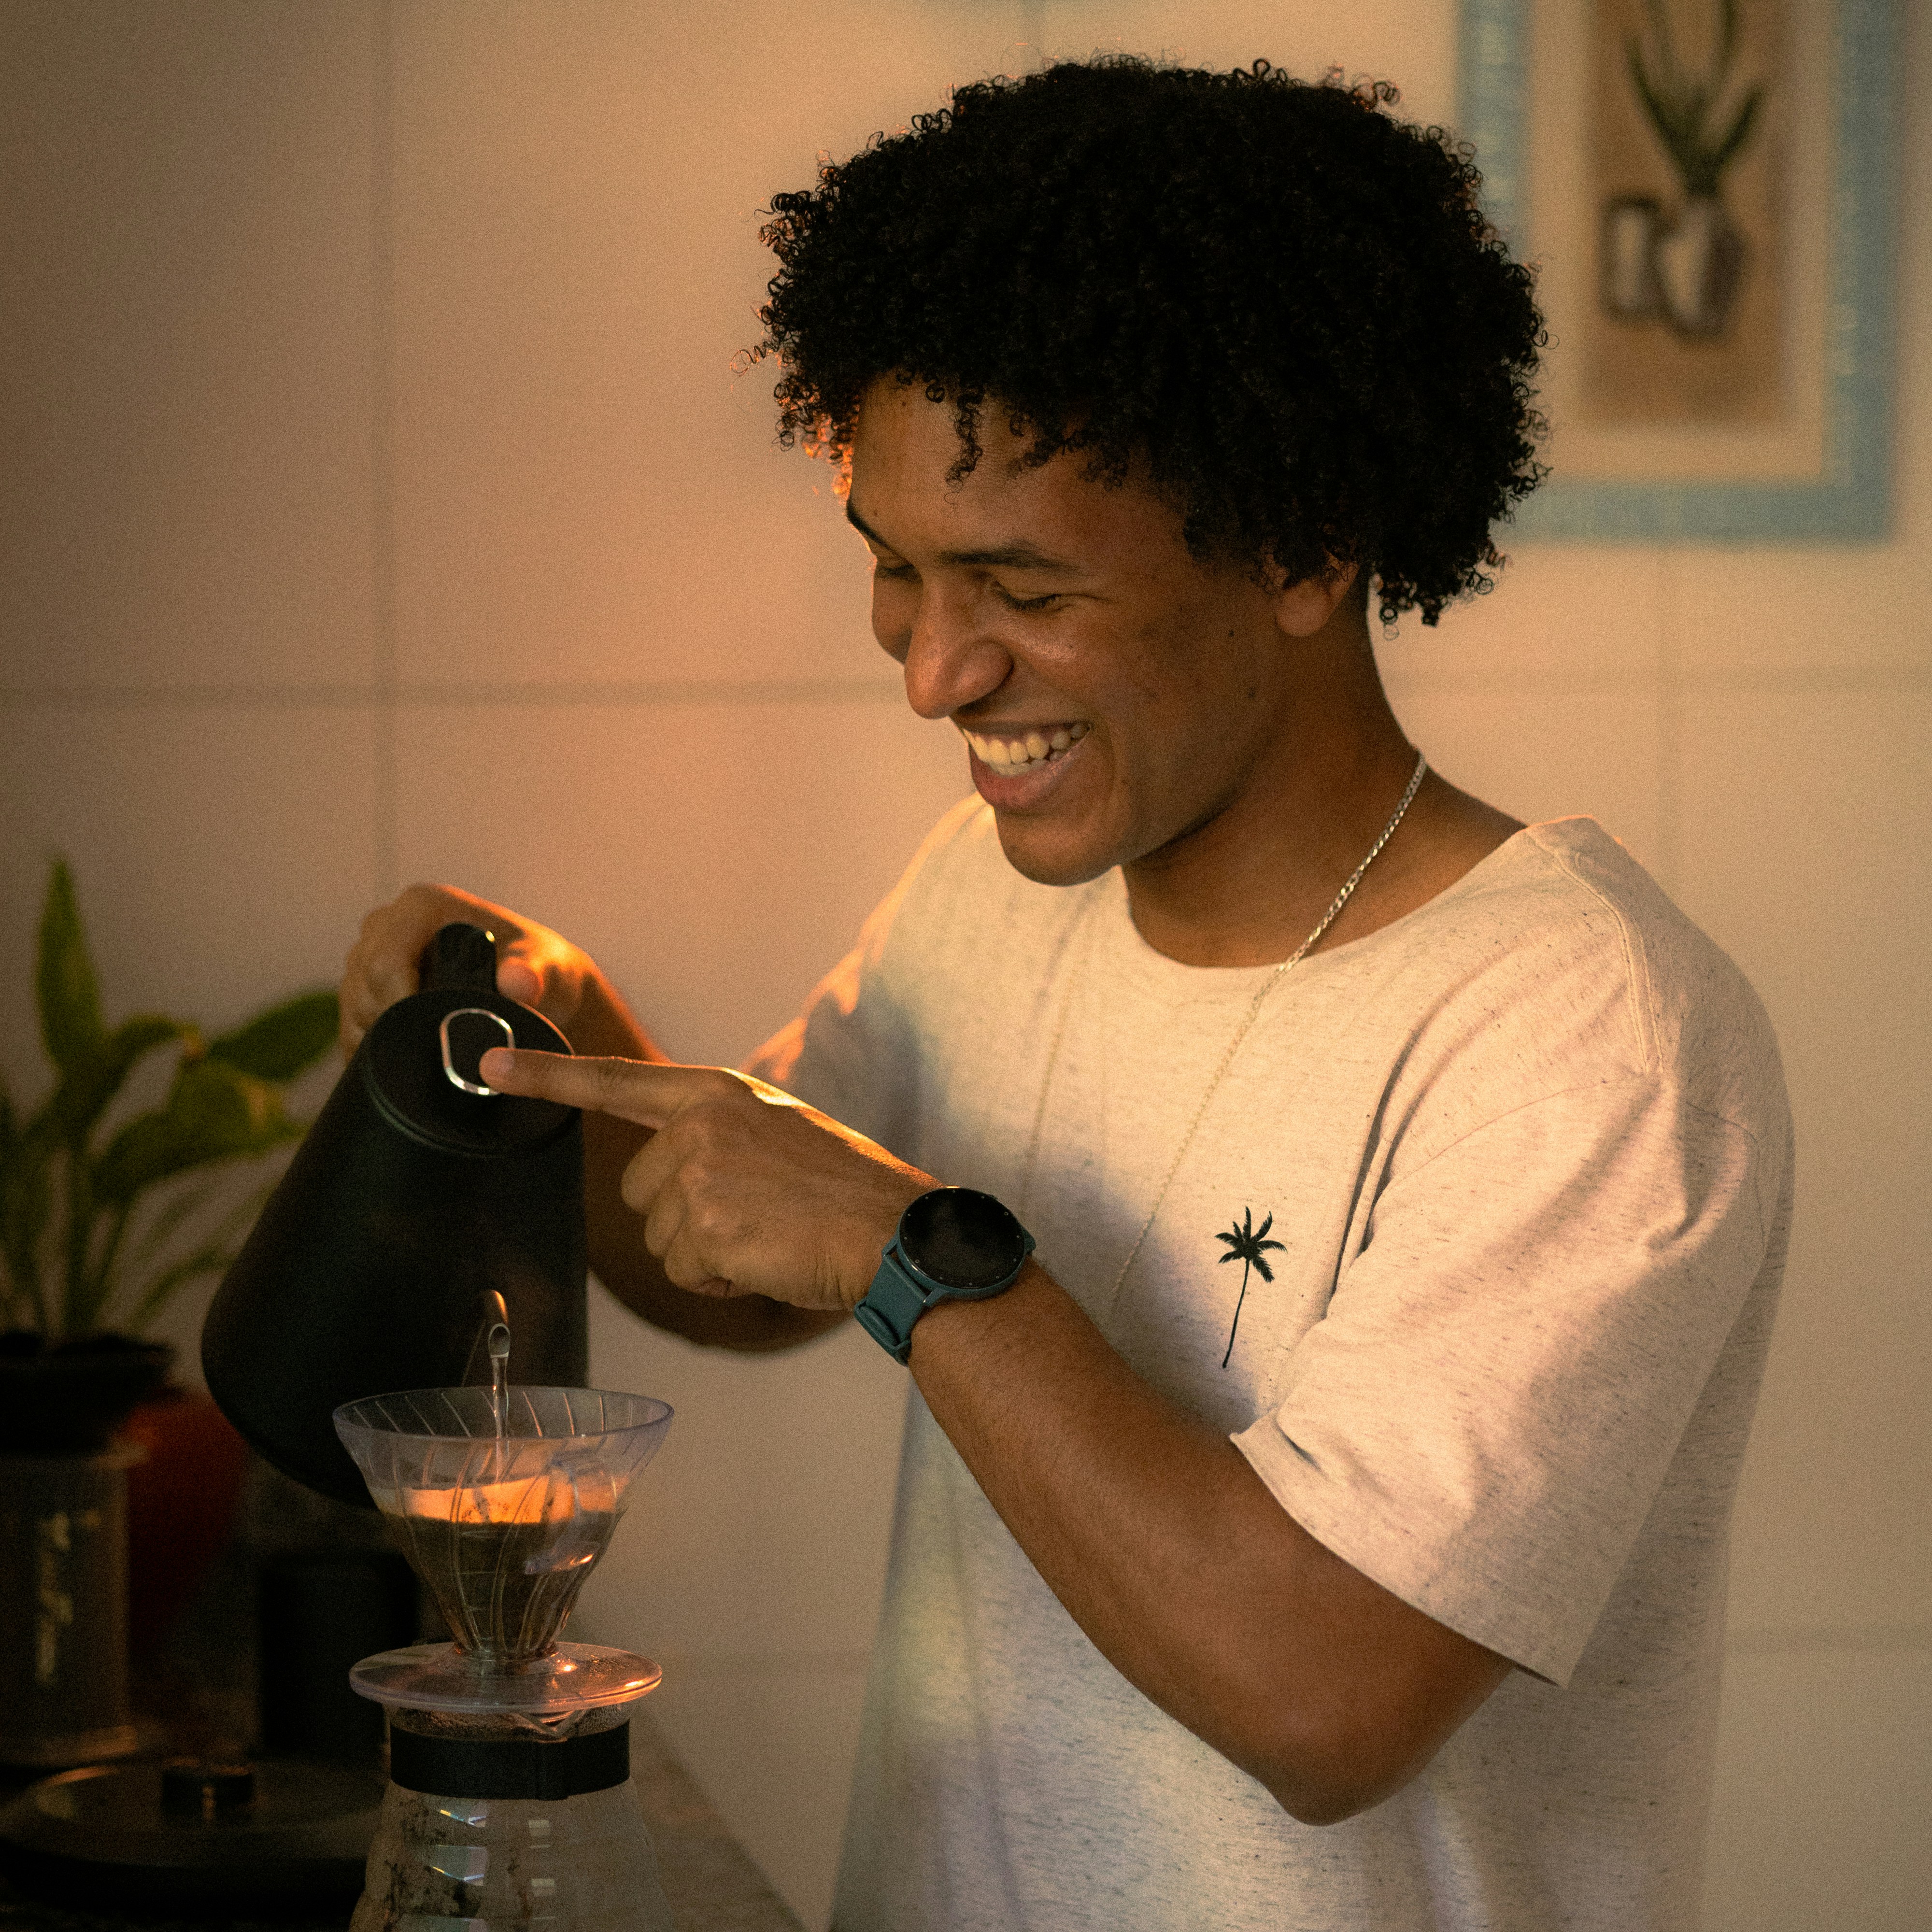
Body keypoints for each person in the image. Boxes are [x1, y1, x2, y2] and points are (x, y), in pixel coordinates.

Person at [340, 58, 1791, 1932]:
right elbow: (737, 1240)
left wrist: (912, 1253)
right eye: (895, 573)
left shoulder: (1582, 1028)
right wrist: (557, 1022)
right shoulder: (1002, 885)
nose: (936, 671)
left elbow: (1320, 1692)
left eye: (1016, 586)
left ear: (1300, 539)